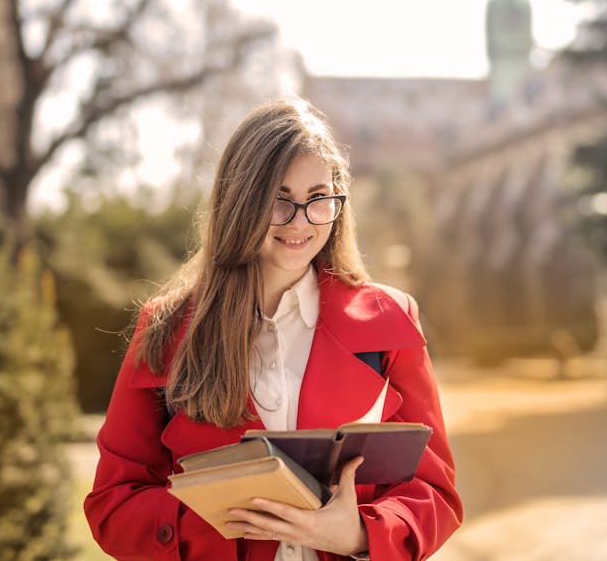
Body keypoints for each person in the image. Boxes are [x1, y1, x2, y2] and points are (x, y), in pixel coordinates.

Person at [84, 99, 462, 560]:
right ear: (240, 200)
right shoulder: (165, 329)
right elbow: (112, 503)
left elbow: (434, 489)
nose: (300, 220)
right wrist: (217, 521)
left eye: (318, 198)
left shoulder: (390, 319)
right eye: (279, 200)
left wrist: (360, 535)